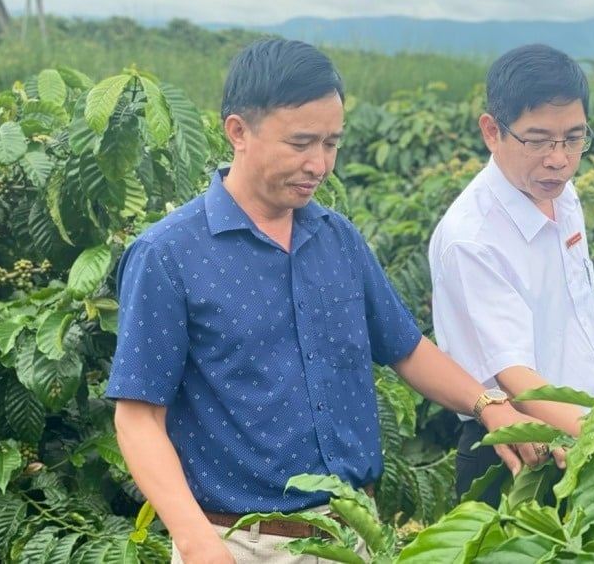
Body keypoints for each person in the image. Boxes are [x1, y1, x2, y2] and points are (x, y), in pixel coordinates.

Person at [107, 37, 559, 564]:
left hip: (352, 538)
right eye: (300, 143)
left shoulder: (336, 237)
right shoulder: (168, 254)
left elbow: (406, 348)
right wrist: (195, 539)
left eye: (331, 143)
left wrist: (490, 406)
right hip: (242, 544)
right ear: (238, 132)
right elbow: (138, 416)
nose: (319, 164)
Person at [429, 43, 594, 508]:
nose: (559, 159)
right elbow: (512, 374)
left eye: (574, 138)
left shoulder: (563, 195)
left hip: (587, 432)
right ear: (493, 131)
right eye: (537, 140)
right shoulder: (473, 237)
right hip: (521, 453)